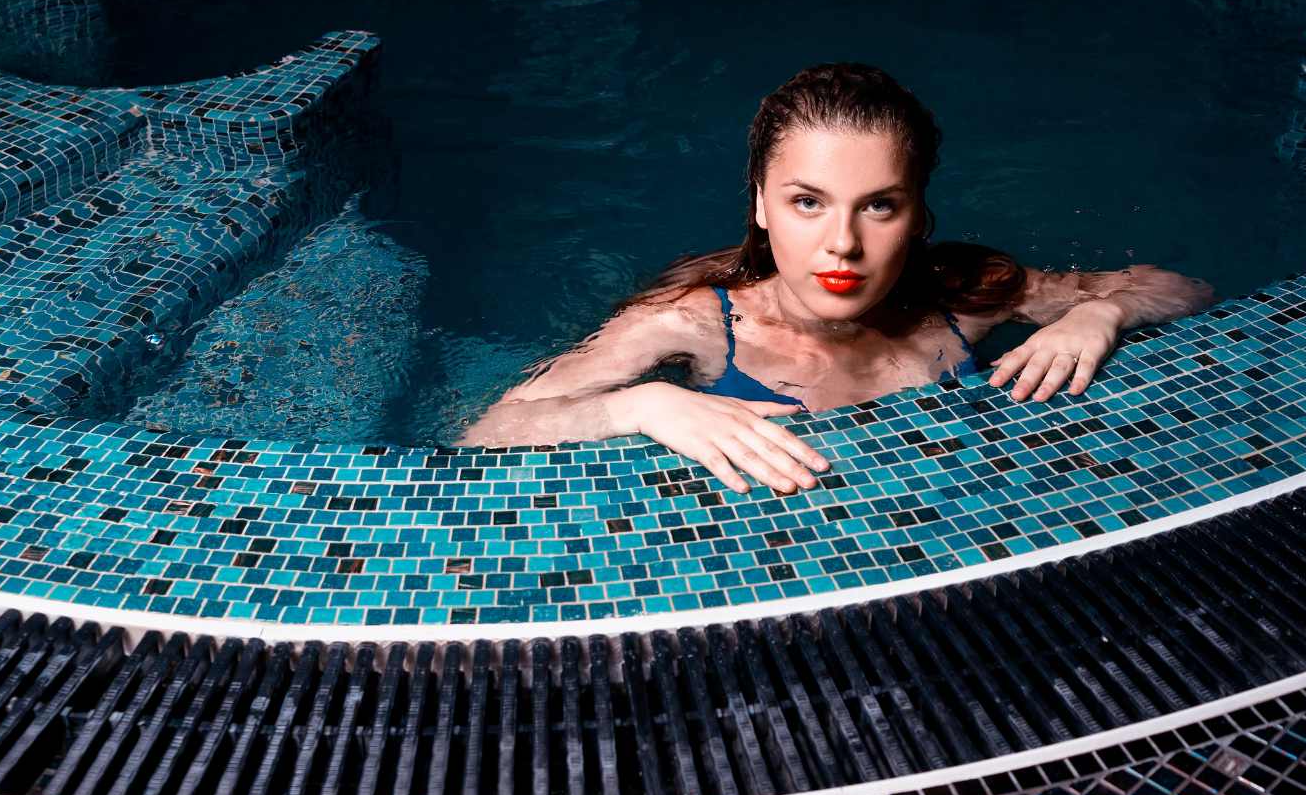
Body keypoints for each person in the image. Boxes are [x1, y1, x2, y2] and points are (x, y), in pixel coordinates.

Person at [458, 63, 1216, 495]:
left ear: (918, 216)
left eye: (878, 206)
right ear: (760, 204)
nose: (842, 244)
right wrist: (643, 405)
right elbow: (487, 436)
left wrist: (1096, 315)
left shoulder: (960, 297)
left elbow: (1184, 290)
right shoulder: (695, 323)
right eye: (807, 203)